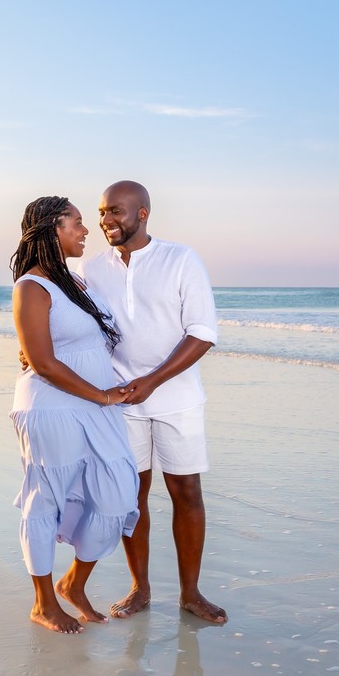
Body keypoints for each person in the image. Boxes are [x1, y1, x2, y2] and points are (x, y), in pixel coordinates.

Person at [82, 180, 227, 624]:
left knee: (186, 492)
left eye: (116, 211)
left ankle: (191, 594)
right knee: (132, 496)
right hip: (120, 400)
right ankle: (140, 588)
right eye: (102, 212)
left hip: (177, 398)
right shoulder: (92, 268)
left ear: (142, 213)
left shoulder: (181, 259)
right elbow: (76, 323)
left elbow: (202, 332)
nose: (106, 220)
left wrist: (153, 380)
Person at [9, 195, 140, 634]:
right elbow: (43, 363)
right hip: (53, 406)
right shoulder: (31, 286)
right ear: (52, 228)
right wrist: (102, 395)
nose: (86, 231)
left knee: (119, 491)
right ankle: (43, 603)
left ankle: (72, 584)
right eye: (77, 222)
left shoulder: (74, 281)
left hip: (95, 404)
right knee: (45, 500)